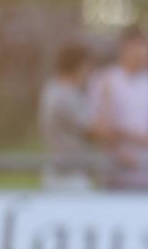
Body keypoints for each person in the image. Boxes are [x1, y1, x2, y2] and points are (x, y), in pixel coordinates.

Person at [89, 25, 148, 189]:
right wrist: (126, 141)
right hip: (114, 176)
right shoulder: (105, 80)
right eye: (141, 47)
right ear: (126, 48)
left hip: (145, 176)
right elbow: (97, 128)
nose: (145, 53)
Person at [38, 42, 106, 189]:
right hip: (67, 177)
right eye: (88, 67)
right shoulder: (64, 96)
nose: (89, 73)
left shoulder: (56, 89)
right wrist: (106, 96)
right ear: (80, 66)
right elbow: (96, 131)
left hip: (66, 172)